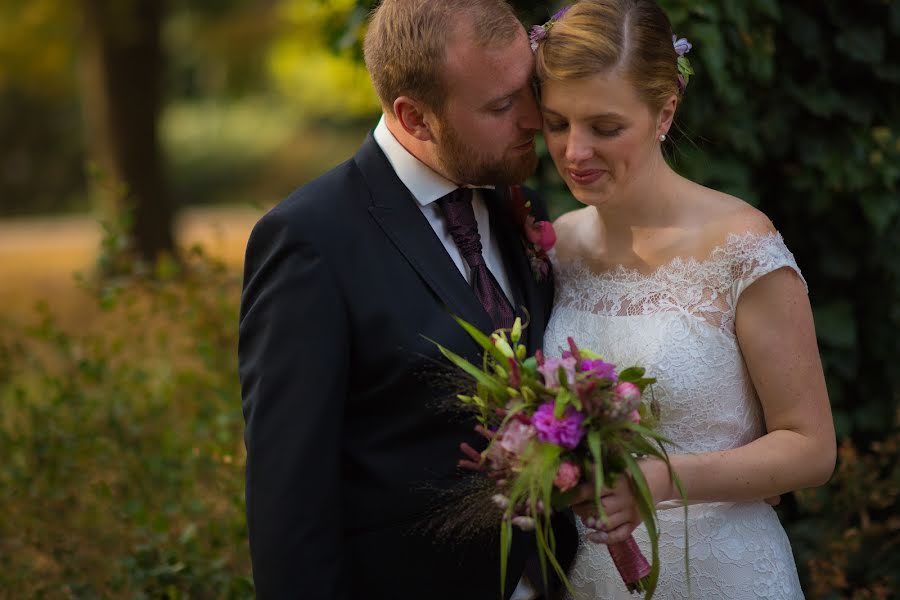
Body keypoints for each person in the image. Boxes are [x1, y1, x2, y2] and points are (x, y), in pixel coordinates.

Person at [237, 1, 578, 598]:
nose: (533, 118)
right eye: (500, 106)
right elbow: (290, 501)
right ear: (414, 117)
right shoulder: (311, 240)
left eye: (529, 90)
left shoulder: (515, 202)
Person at [531, 0, 837, 598]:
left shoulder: (740, 245)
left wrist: (661, 481)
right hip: (591, 578)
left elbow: (811, 448)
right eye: (556, 122)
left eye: (605, 127)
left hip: (723, 572)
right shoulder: (556, 247)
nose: (574, 152)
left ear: (665, 110)